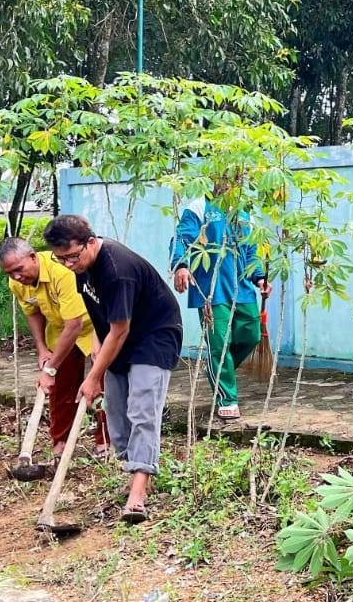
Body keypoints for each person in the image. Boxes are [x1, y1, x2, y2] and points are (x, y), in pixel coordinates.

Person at [43, 214, 182, 523]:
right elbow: (100, 313)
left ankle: (138, 495)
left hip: (154, 336)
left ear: (90, 242)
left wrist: (93, 377)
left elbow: (120, 329)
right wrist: (96, 343)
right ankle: (133, 468)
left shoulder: (117, 270)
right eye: (60, 259)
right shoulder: (81, 265)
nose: (67, 264)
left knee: (142, 411)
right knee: (117, 416)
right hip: (118, 337)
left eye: (72, 257)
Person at [0, 236, 110, 459]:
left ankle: (105, 442)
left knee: (102, 384)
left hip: (92, 325)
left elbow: (75, 324)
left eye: (19, 269)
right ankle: (61, 442)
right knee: (59, 388)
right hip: (60, 330)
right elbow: (33, 312)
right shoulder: (17, 282)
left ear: (32, 257)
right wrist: (42, 350)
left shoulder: (62, 272)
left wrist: (49, 370)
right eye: (10, 273)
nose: (16, 276)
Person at [168, 184, 268, 423]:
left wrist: (260, 276)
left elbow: (252, 249)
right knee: (220, 343)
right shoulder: (198, 207)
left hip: (242, 286)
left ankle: (218, 368)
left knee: (251, 335)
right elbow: (182, 238)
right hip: (211, 290)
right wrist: (181, 265)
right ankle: (227, 398)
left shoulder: (245, 211)